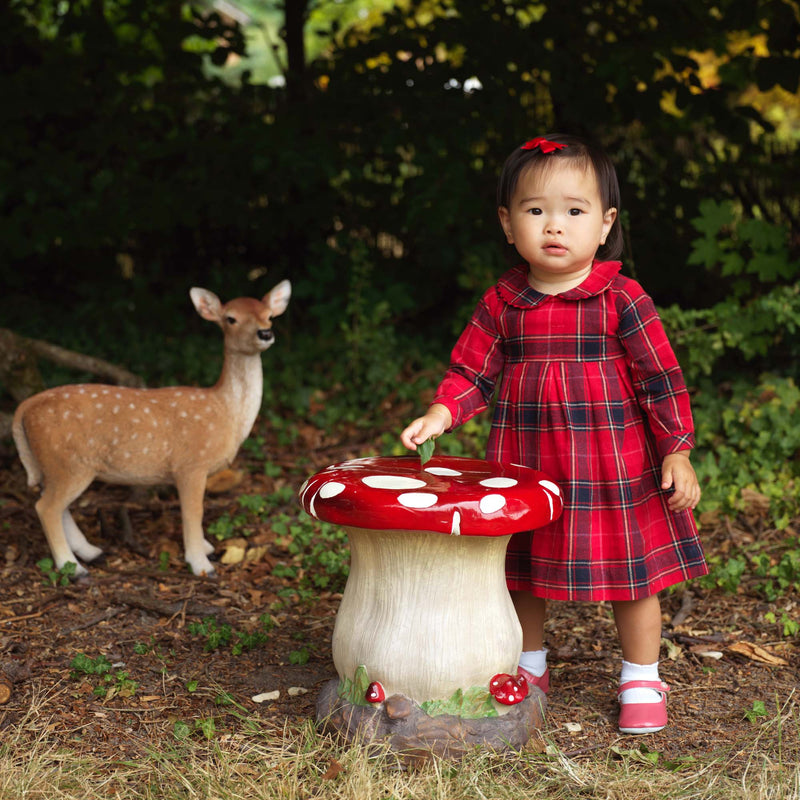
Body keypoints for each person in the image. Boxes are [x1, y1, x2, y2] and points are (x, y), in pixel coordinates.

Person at [400, 134, 707, 735]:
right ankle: (527, 664)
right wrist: (442, 413)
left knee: (632, 571)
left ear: (605, 223)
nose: (554, 226)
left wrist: (677, 448)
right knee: (520, 565)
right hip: (527, 460)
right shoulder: (504, 303)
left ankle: (641, 676)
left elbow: (660, 378)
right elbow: (471, 372)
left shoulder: (622, 298)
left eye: (574, 210)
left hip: (612, 463)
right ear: (508, 225)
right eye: (535, 210)